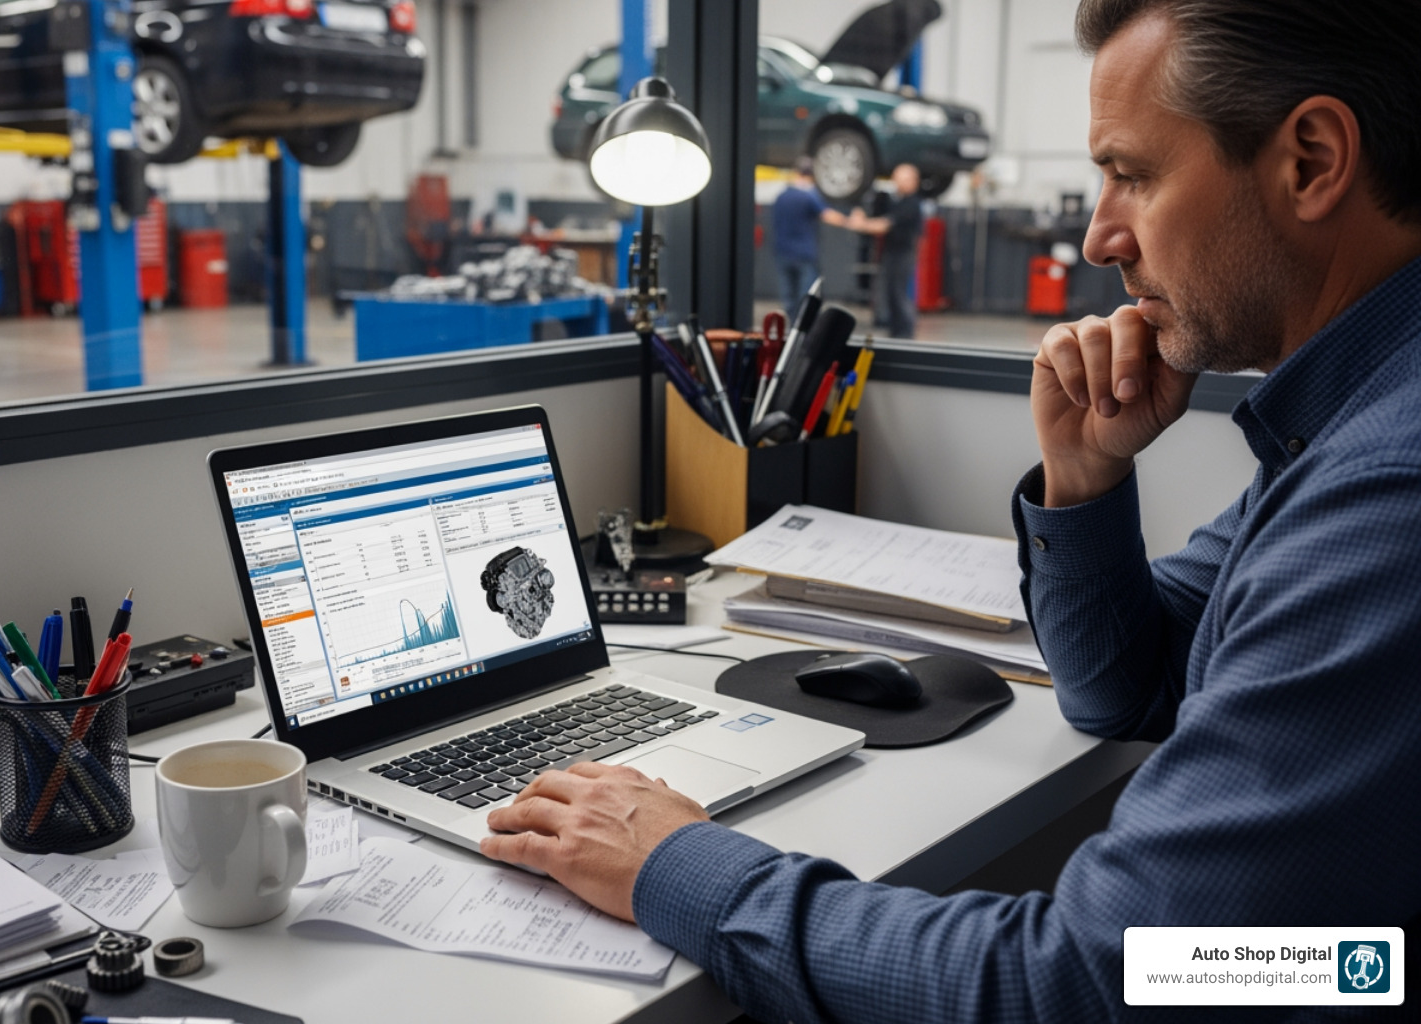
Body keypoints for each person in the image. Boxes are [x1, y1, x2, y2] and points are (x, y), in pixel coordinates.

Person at [481, 1, 1421, 1021]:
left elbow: (1082, 983)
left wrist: (678, 861)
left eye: (1133, 174)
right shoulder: (1345, 420)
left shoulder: (1386, 493)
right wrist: (1085, 479)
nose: (1100, 234)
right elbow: (1126, 688)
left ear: (1313, 160)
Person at [850, 163, 923, 338]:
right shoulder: (893, 200)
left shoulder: (912, 204)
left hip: (903, 253)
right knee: (889, 293)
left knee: (899, 294)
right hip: (889, 252)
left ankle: (905, 332)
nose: (897, 183)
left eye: (902, 179)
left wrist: (861, 225)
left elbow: (884, 225)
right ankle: (895, 330)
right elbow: (875, 213)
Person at [770, 156, 849, 317]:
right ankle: (805, 334)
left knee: (789, 299)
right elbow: (828, 216)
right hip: (804, 254)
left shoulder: (782, 195)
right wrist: (850, 221)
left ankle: (793, 331)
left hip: (782, 252)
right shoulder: (809, 195)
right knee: (806, 299)